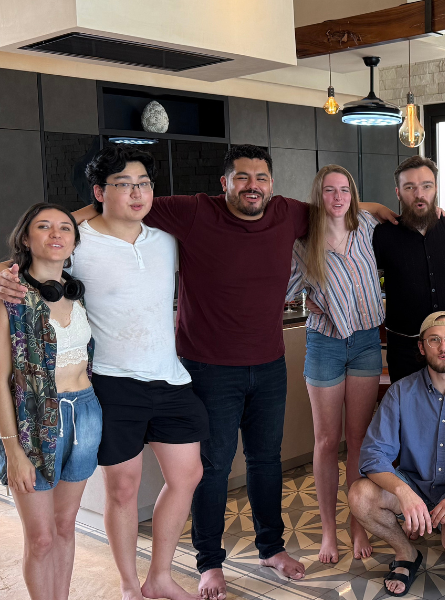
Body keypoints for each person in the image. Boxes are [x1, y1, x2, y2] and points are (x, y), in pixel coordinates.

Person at [62, 144, 398, 597]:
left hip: (269, 364)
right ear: (225, 183)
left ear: (272, 184)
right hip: (207, 368)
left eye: (260, 177)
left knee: (266, 462)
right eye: (241, 177)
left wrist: (376, 205)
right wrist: (63, 223)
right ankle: (209, 563)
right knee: (212, 467)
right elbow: (123, 200)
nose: (252, 186)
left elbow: (339, 205)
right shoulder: (193, 212)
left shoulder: (289, 213)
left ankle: (271, 548)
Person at [0, 146, 208, 600]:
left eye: (144, 183)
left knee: (187, 476)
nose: (138, 192)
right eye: (125, 184)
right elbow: (12, 268)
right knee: (120, 490)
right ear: (101, 192)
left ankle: (159, 577)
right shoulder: (78, 242)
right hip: (109, 382)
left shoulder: (166, 237)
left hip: (169, 377)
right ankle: (129, 586)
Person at [0, 203, 101, 600]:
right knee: (41, 540)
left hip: (85, 414)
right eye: (44, 226)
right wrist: (11, 449)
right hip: (33, 422)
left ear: (74, 241)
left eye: (65, 228)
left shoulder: (77, 293)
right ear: (25, 238)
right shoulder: (12, 298)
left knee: (66, 527)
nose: (56, 234)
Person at [349, 311, 445, 596]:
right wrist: (404, 493)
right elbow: (373, 456)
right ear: (422, 347)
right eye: (434, 340)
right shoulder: (400, 392)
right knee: (359, 495)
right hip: (414, 485)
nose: (443, 347)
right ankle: (406, 552)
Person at [287, 165, 386, 563]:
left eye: (345, 189)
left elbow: (388, 211)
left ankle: (357, 522)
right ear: (319, 196)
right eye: (330, 190)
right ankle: (329, 530)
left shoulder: (366, 226)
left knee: (358, 440)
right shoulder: (303, 242)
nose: (339, 197)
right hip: (324, 342)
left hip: (365, 340)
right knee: (327, 442)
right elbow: (286, 291)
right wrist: (308, 301)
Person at [372, 156, 445, 381]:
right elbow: (339, 211)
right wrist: (375, 207)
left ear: (435, 188)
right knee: (407, 413)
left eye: (426, 186)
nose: (419, 194)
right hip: (404, 348)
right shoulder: (384, 234)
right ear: (398, 193)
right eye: (410, 187)